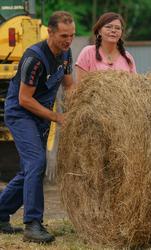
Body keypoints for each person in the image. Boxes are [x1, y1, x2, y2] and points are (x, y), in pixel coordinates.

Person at [0, 11, 75, 243]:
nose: (68, 40)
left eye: (72, 35)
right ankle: (33, 224)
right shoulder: (35, 57)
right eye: (64, 35)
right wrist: (57, 117)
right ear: (50, 32)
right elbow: (24, 99)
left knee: (28, 171)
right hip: (21, 114)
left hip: (40, 116)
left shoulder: (65, 54)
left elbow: (70, 86)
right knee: (36, 163)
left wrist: (81, 110)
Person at [75, 12, 136, 82]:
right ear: (99, 31)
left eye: (117, 28)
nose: (113, 30)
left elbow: (134, 88)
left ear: (121, 33)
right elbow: (80, 87)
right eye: (108, 27)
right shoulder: (88, 53)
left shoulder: (128, 57)